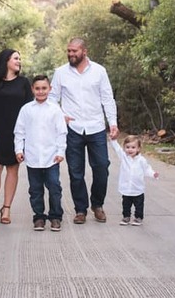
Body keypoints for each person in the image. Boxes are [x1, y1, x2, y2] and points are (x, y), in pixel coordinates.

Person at [49, 37, 119, 224]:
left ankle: (97, 204)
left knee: (102, 167)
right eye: (69, 51)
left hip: (96, 127)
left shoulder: (99, 71)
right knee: (76, 171)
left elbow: (107, 98)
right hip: (72, 129)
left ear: (84, 51)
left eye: (75, 51)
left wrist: (112, 122)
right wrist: (60, 115)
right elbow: (52, 98)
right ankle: (81, 210)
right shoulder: (61, 73)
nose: (71, 54)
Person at [0, 48, 34, 226]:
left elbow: (29, 109)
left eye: (20, 58)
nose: (19, 61)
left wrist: (28, 134)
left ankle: (7, 208)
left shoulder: (24, 83)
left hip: (17, 133)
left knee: (12, 169)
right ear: (6, 61)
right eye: (16, 58)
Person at [14, 75, 67, 232]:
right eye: (37, 88)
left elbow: (61, 132)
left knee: (54, 186)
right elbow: (19, 131)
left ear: (50, 89)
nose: (41, 91)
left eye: (44, 88)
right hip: (32, 157)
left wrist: (60, 151)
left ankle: (55, 216)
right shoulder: (26, 109)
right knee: (35, 189)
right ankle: (39, 217)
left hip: (52, 157)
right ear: (32, 90)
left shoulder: (55, 109)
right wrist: (19, 150)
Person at [110, 135, 158, 226]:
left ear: (138, 149)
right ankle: (126, 217)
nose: (130, 150)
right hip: (126, 188)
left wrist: (153, 174)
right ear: (124, 148)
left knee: (139, 205)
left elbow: (147, 169)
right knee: (126, 204)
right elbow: (117, 149)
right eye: (127, 147)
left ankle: (138, 217)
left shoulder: (141, 160)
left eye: (133, 147)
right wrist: (113, 141)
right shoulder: (124, 158)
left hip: (138, 188)